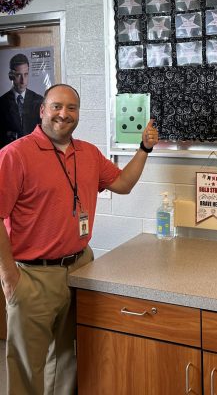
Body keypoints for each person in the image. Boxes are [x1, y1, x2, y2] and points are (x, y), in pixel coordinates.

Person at [0, 83, 159, 395]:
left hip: (79, 269)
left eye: (71, 108)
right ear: (42, 110)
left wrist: (145, 149)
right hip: (33, 275)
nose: (64, 114)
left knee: (68, 357)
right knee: (27, 365)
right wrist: (9, 278)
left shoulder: (87, 153)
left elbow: (123, 184)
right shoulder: (14, 155)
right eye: (57, 106)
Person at [0, 53, 43, 148]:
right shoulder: (1, 103)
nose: (23, 80)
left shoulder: (39, 100)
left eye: (26, 74)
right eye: (19, 75)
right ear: (10, 76)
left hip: (34, 152)